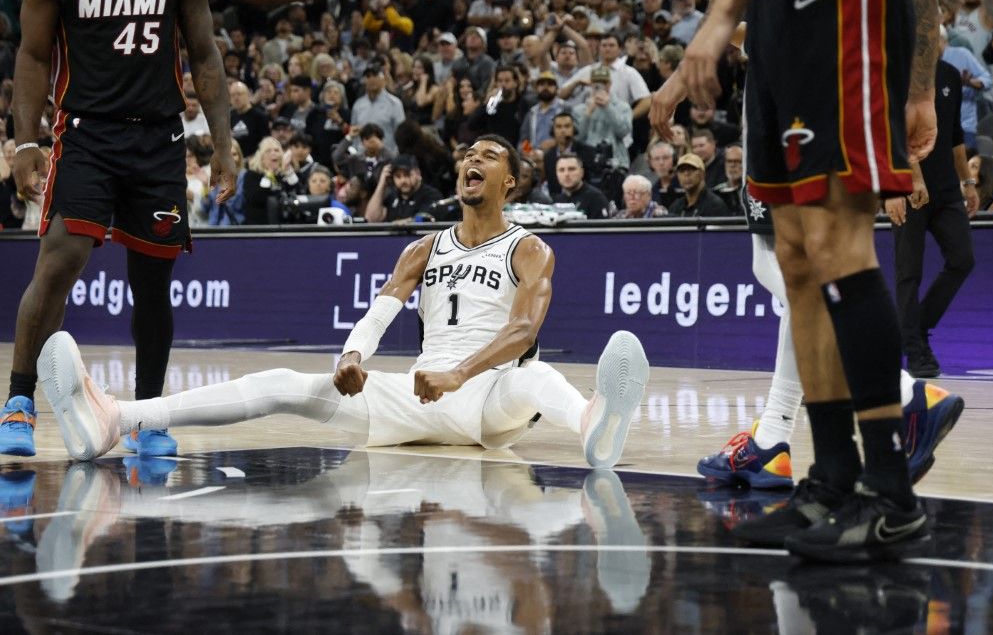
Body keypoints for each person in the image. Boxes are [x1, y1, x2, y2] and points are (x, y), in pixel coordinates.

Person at [37, 135, 650, 475]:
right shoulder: (424, 247)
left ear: (509, 183)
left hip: (489, 398)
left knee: (534, 375)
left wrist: (460, 373)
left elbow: (523, 330)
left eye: (488, 156)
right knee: (283, 381)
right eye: (467, 155)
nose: (471, 161)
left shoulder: (530, 248)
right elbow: (380, 312)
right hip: (416, 396)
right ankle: (116, 418)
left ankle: (593, 424)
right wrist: (354, 354)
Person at [652, 0, 948, 563]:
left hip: (842, 15)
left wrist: (919, 87)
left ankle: (891, 494)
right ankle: (832, 477)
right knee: (795, 257)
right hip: (774, 26)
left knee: (836, 241)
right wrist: (725, 17)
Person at [1, 0, 237, 458]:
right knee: (59, 262)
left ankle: (147, 415)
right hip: (87, 134)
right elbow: (31, 53)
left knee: (152, 282)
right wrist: (25, 141)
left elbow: (205, 51)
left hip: (159, 137)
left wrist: (223, 144)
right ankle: (18, 402)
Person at [885, 59, 978, 378]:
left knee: (963, 259)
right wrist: (896, 188)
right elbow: (890, 134)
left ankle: (916, 327)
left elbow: (955, 136)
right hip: (907, 190)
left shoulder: (950, 73)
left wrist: (967, 182)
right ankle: (914, 350)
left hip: (947, 190)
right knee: (908, 273)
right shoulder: (895, 71)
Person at [364, 154, 443, 223]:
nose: (403, 180)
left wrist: (398, 225)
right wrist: (382, 184)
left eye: (407, 175)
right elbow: (371, 219)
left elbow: (424, 219)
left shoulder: (431, 195)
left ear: (418, 174)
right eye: (398, 176)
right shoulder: (393, 196)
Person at [667, 153, 731, 217]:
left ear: (702, 174)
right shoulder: (676, 207)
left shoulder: (715, 205)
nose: (686, 174)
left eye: (691, 169)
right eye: (682, 171)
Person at [551, 151, 609, 219]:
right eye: (561, 170)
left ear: (582, 172)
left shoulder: (596, 198)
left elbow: (602, 228)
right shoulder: (556, 201)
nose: (566, 174)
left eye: (571, 169)